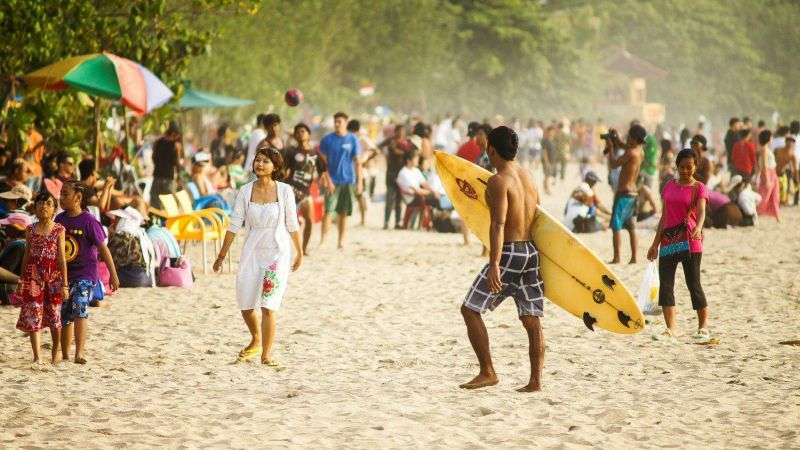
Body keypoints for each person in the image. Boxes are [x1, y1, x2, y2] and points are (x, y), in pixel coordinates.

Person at [459, 126, 545, 393]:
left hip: (509, 252)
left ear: (492, 150)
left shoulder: (499, 181)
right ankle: (535, 381)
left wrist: (494, 263)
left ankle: (487, 371)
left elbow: (498, 224)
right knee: (531, 318)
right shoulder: (527, 175)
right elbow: (537, 213)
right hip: (531, 251)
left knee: (470, 309)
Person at [212, 146, 302, 366]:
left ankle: (266, 355)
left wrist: (299, 251)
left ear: (275, 166)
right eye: (258, 160)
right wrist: (221, 256)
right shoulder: (245, 191)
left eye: (265, 161)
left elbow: (292, 223)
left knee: (268, 305)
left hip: (277, 252)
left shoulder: (284, 191)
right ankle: (256, 339)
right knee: (245, 303)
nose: (260, 164)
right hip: (252, 251)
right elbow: (234, 225)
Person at [647, 149, 710, 342]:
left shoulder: (699, 187)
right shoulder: (669, 186)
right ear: (677, 166)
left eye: (689, 167)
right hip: (669, 240)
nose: (685, 171)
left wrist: (698, 228)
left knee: (694, 284)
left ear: (695, 167)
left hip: (691, 240)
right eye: (681, 167)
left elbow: (701, 213)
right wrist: (654, 244)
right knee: (666, 285)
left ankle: (703, 327)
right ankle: (671, 328)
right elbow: (664, 217)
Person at [56, 181, 120, 364]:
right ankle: (66, 353)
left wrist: (113, 275)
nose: (61, 197)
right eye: (60, 193)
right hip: (65, 276)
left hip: (85, 275)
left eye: (65, 194)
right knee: (65, 313)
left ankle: (80, 352)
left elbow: (103, 249)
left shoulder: (89, 221)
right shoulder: (59, 220)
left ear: (78, 197)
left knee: (80, 306)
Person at [11, 191, 67, 364]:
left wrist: (65, 285)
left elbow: (62, 259)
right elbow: (26, 255)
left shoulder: (59, 229)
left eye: (48, 203)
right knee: (33, 314)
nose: (44, 206)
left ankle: (55, 351)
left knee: (54, 317)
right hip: (33, 277)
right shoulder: (30, 230)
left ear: (54, 209)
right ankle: (37, 357)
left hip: (54, 278)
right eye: (40, 203)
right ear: (34, 207)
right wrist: (22, 280)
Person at [319, 112, 362, 249]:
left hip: (348, 180)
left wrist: (360, 182)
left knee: (344, 212)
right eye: (335, 121)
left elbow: (358, 162)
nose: (337, 124)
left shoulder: (353, 139)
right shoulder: (327, 140)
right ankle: (323, 240)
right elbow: (322, 163)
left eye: (340, 121)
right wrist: (325, 178)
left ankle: (341, 241)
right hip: (331, 180)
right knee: (328, 211)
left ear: (346, 122)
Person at [605, 125, 645, 264]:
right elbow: (626, 146)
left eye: (629, 137)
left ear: (634, 139)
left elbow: (613, 164)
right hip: (633, 193)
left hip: (623, 193)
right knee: (631, 226)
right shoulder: (639, 151)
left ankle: (616, 257)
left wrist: (610, 148)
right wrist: (617, 139)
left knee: (616, 226)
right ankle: (634, 257)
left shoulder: (630, 153)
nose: (627, 139)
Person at [285, 123, 326, 255]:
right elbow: (283, 170)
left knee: (309, 220)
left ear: (308, 134)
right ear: (295, 136)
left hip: (306, 192)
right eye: (297, 132)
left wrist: (325, 182)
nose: (300, 133)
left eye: (303, 131)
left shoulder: (315, 153)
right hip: (291, 189)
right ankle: (283, 248)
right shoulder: (291, 151)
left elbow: (323, 170)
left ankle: (303, 249)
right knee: (286, 221)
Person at [378, 124, 414, 229]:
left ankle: (397, 222)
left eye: (403, 131)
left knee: (399, 199)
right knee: (390, 198)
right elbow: (380, 146)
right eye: (399, 131)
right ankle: (386, 222)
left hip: (402, 174)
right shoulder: (391, 141)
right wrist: (386, 154)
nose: (401, 133)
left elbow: (412, 154)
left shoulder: (407, 143)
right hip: (391, 172)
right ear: (396, 131)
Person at [349, 119, 378, 226]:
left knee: (360, 195)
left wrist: (365, 159)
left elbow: (375, 150)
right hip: (349, 170)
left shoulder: (362, 138)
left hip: (360, 171)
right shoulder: (349, 138)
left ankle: (363, 219)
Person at [149, 122, 182, 209]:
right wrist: (179, 177)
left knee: (155, 206)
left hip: (157, 177)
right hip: (168, 179)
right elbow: (177, 163)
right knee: (170, 207)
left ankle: (155, 222)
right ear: (174, 133)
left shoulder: (157, 142)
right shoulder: (176, 146)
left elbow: (153, 157)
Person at [756, 130, 780, 221]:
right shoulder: (764, 150)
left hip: (773, 173)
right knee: (764, 196)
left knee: (775, 195)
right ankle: (757, 213)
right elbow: (764, 165)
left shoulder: (767, 149)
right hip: (768, 174)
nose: (772, 138)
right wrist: (767, 180)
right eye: (771, 137)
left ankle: (777, 216)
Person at [775, 137, 798, 205]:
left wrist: (796, 178)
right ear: (785, 142)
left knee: (786, 187)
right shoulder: (779, 150)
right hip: (776, 171)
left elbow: (795, 168)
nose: (790, 143)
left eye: (792, 142)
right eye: (788, 141)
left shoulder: (792, 155)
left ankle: (785, 200)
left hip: (785, 173)